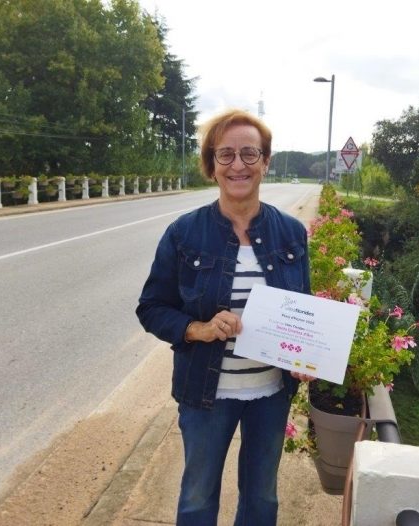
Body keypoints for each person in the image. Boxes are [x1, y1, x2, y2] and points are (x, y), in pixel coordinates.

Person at [136, 108, 312, 526]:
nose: (238, 165)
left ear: (265, 162)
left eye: (250, 154)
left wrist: (307, 358)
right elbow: (151, 307)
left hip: (271, 393)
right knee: (197, 499)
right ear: (211, 165)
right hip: (204, 394)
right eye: (226, 154)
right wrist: (197, 329)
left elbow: (302, 306)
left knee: (262, 499)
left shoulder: (291, 233)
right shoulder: (184, 233)